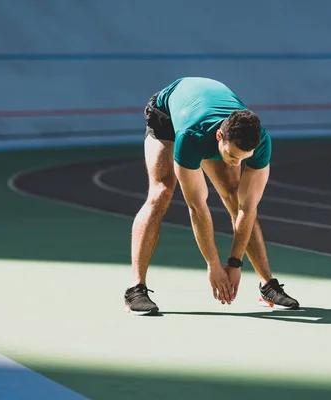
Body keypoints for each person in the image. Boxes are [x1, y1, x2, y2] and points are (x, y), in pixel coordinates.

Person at [124, 77, 300, 316]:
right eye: (232, 156)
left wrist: (235, 262)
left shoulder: (260, 142)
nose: (237, 162)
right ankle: (136, 289)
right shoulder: (191, 138)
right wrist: (214, 264)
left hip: (205, 115)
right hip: (167, 113)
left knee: (235, 195)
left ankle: (267, 286)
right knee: (162, 191)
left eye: (243, 157)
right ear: (220, 137)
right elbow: (197, 207)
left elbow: (247, 209)